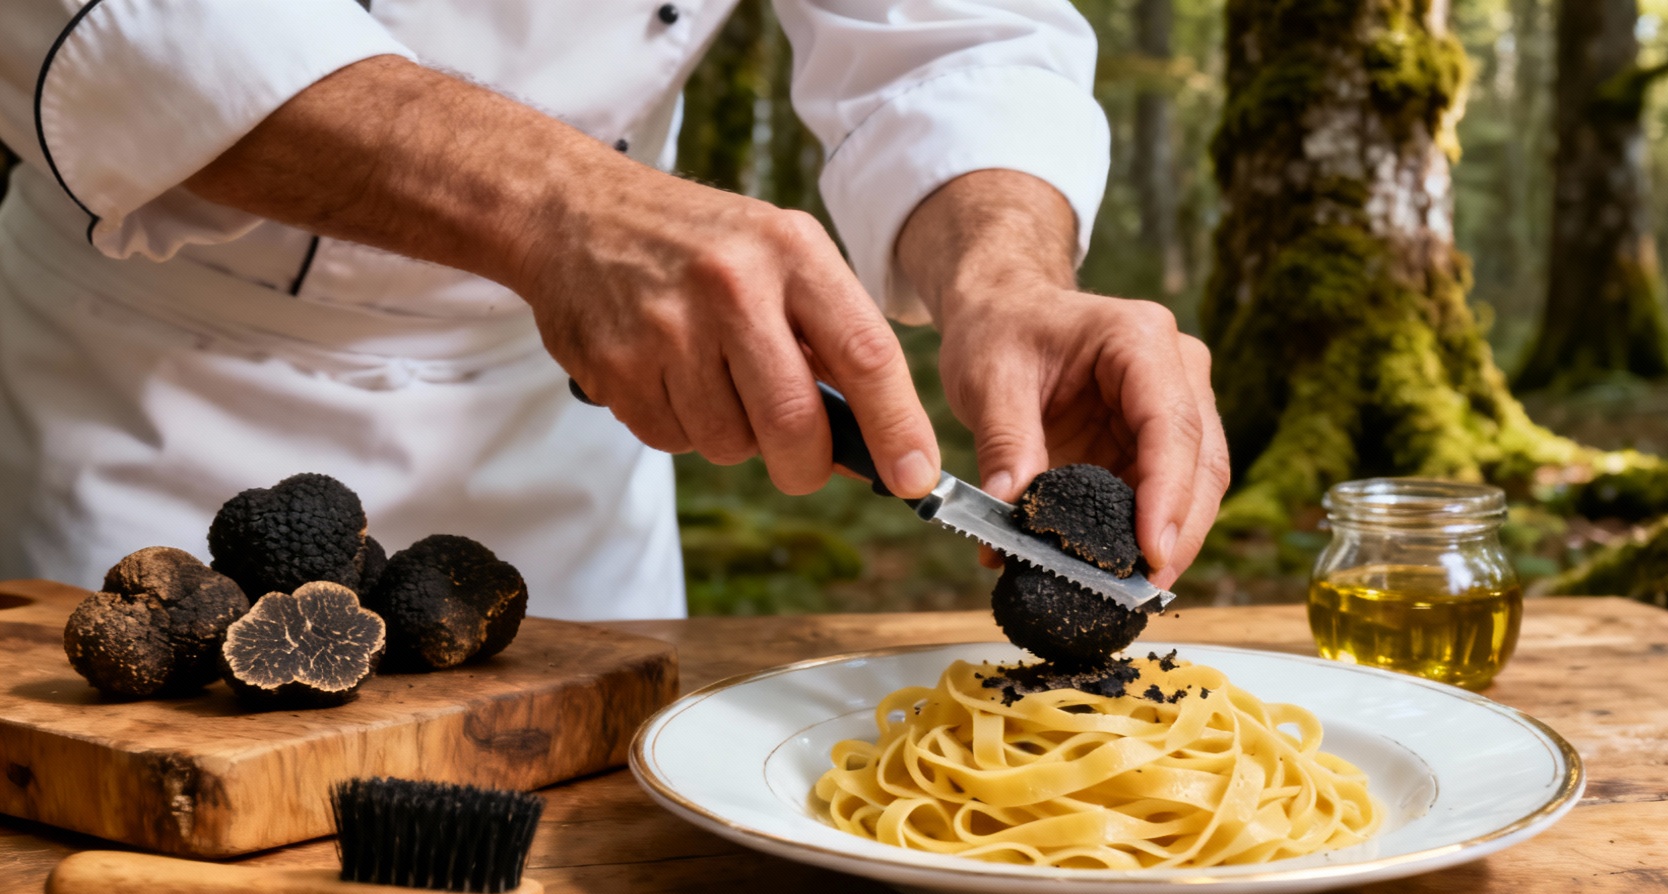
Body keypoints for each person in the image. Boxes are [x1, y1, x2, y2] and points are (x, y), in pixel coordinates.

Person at [0, 0, 1228, 619]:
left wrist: (1004, 272)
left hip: (566, 444)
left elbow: (950, 35)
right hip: (154, 394)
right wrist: (559, 206)